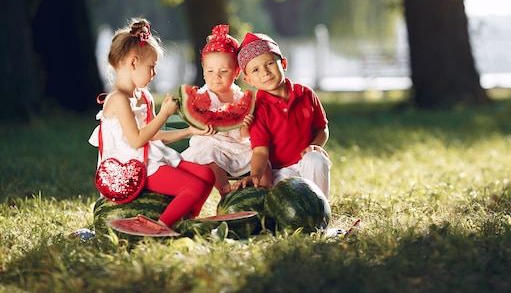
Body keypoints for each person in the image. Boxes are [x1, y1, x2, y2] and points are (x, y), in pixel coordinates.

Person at [88, 18, 216, 228]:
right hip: (132, 166)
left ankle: (186, 220)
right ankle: (161, 226)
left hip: (152, 158)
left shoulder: (144, 96)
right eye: (151, 67)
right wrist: (163, 115)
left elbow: (154, 134)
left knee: (207, 175)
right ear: (133, 63)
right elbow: (137, 140)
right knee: (192, 187)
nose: (154, 74)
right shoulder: (118, 99)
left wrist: (190, 131)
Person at [233, 32, 332, 198]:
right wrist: (255, 175)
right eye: (255, 70)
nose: (265, 72)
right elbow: (260, 151)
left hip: (306, 163)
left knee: (316, 159)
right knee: (286, 204)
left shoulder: (306, 94)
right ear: (248, 80)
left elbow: (322, 129)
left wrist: (315, 146)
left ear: (283, 63)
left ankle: (321, 210)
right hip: (281, 173)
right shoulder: (258, 109)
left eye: (270, 63)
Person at [180, 25, 271, 197]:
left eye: (223, 71)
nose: (216, 76)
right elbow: (196, 123)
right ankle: (225, 192)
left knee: (262, 158)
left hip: (237, 146)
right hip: (211, 143)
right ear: (203, 71)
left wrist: (246, 126)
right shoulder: (201, 96)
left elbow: (243, 134)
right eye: (210, 71)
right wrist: (202, 127)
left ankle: (266, 191)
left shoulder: (240, 98)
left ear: (236, 72)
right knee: (210, 157)